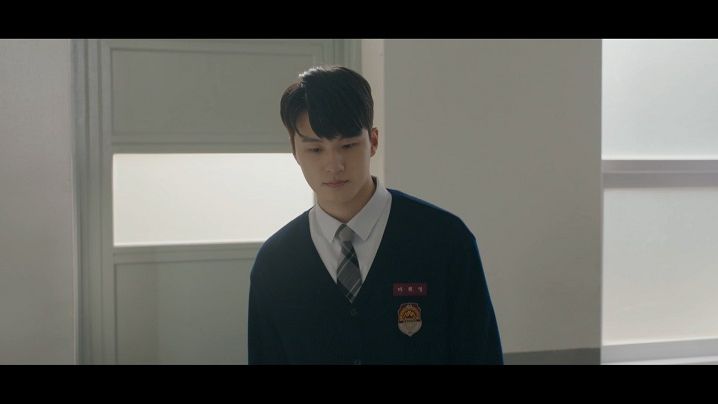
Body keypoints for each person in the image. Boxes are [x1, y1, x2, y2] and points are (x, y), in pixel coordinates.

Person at [247, 65, 502, 365]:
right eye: (315, 150)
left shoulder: (445, 240)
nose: (334, 165)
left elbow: (480, 354)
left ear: (373, 142)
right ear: (294, 151)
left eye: (348, 145)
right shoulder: (274, 263)